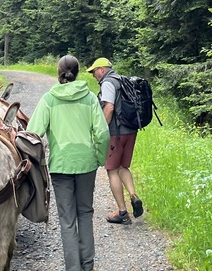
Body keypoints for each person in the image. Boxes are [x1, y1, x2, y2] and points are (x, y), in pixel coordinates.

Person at [28, 55, 110, 271]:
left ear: (59, 72)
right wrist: (99, 157)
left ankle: (73, 268)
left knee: (66, 219)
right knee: (85, 213)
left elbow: (33, 134)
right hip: (86, 164)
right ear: (78, 72)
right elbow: (102, 133)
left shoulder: (49, 99)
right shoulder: (91, 98)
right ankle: (88, 264)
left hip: (60, 165)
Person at [86, 57, 144, 224]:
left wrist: (102, 130)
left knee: (112, 170)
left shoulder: (108, 83)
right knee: (123, 167)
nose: (93, 75)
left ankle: (122, 212)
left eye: (94, 71)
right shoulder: (122, 79)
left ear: (102, 69)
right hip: (131, 131)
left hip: (116, 133)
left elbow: (109, 107)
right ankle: (133, 196)